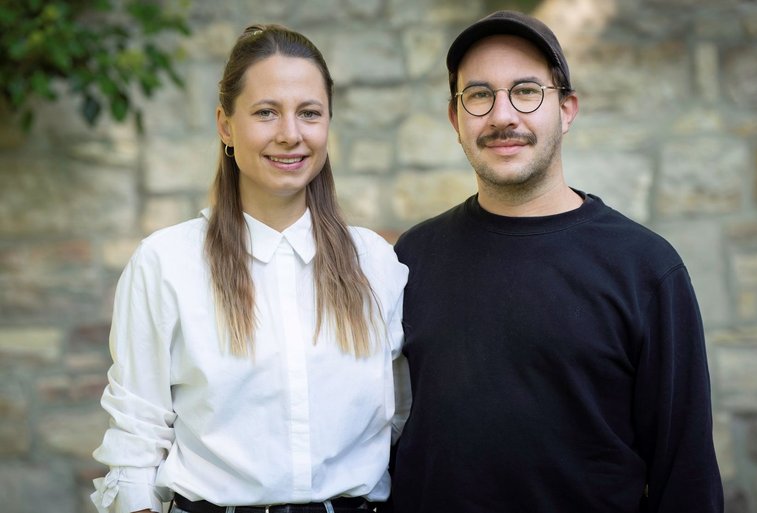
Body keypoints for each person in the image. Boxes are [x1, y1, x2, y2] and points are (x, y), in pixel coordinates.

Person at [389, 10, 723, 513]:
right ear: (456, 119)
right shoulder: (411, 260)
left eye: (526, 91)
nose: (502, 116)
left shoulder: (645, 269)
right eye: (478, 95)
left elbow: (686, 475)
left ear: (566, 110)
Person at [90, 24, 410, 513]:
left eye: (309, 113)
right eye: (266, 112)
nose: (290, 134)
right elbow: (136, 439)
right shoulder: (166, 263)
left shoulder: (375, 263)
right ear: (225, 125)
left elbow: (399, 417)